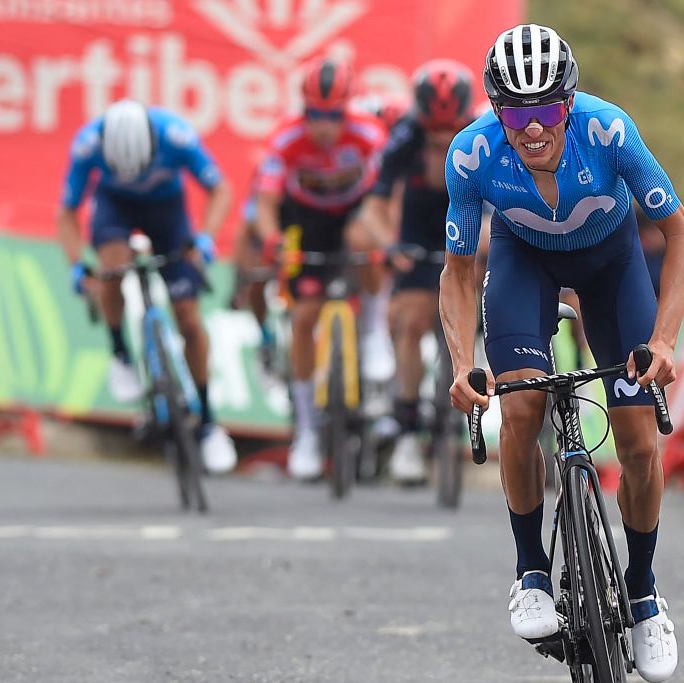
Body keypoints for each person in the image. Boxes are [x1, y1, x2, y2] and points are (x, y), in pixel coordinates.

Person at [440, 25, 684, 682]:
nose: (532, 129)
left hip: (613, 266)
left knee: (639, 442)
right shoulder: (471, 155)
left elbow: (681, 233)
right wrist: (460, 361)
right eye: (517, 113)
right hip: (523, 263)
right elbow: (460, 272)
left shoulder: (609, 131)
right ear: (497, 111)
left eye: (547, 110)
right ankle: (532, 569)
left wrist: (664, 338)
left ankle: (642, 593)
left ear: (570, 103)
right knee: (521, 409)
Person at [57, 99, 238, 474]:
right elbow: (67, 213)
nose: (136, 176)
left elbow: (220, 189)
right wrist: (77, 267)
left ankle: (207, 421)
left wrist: (206, 239)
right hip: (114, 208)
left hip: (167, 211)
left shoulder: (176, 135)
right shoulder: (87, 145)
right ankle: (120, 352)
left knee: (189, 317)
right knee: (112, 268)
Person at [252, 58, 388, 481]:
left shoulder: (369, 133)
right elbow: (266, 205)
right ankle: (306, 432)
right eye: (315, 115)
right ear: (303, 110)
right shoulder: (285, 139)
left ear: (347, 110)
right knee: (304, 317)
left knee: (365, 242)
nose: (324, 126)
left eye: (333, 116)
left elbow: (387, 196)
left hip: (351, 214)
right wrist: (273, 239)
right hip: (306, 221)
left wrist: (386, 234)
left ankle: (372, 331)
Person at [357, 59, 475, 483]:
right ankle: (408, 429)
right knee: (410, 322)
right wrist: (388, 246)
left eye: (452, 134)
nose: (444, 141)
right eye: (435, 135)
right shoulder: (404, 138)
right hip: (421, 233)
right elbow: (371, 209)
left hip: (474, 225)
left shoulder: (487, 133)